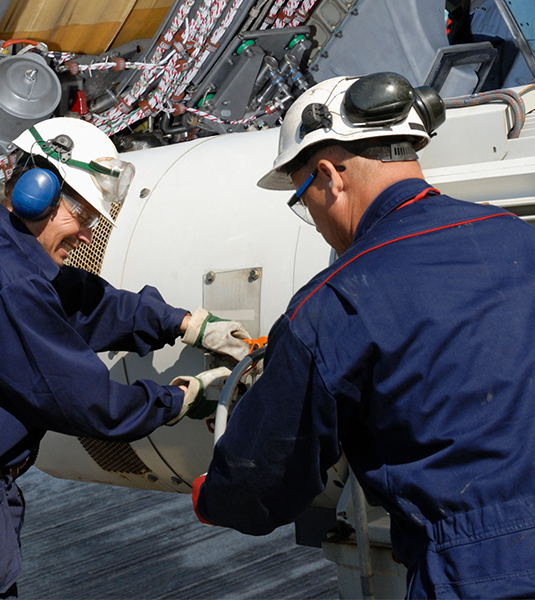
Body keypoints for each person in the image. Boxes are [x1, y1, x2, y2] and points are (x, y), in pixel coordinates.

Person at [192, 71, 535, 598]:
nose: (316, 217)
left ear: (329, 174)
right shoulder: (520, 240)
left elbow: (265, 481)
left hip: (478, 575)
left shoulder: (332, 305)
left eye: (304, 198)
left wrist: (215, 497)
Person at [0, 116, 250, 599]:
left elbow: (87, 302)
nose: (86, 235)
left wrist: (184, 322)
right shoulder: (7, 283)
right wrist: (179, 400)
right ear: (37, 191)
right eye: (81, 216)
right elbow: (86, 402)